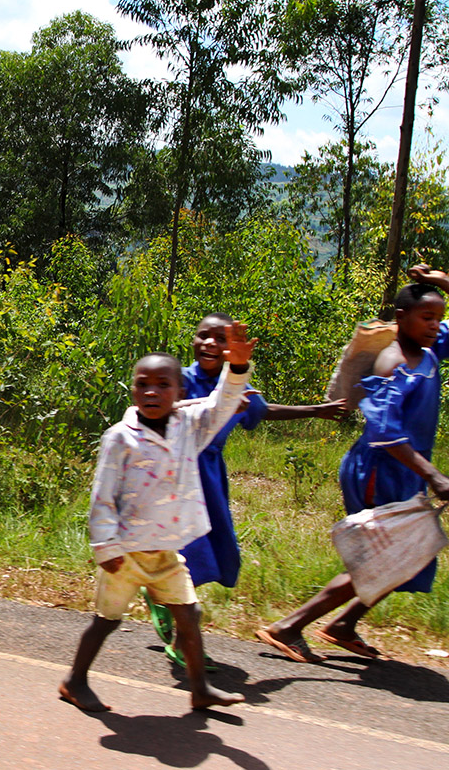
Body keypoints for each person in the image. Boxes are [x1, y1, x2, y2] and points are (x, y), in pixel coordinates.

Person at [59, 323, 256, 713]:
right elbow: (102, 497)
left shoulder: (190, 427)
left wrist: (238, 366)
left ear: (180, 392)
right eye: (143, 384)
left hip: (166, 551)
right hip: (126, 554)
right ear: (132, 390)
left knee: (189, 616)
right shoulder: (120, 437)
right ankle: (74, 680)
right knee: (107, 620)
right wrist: (105, 547)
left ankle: (199, 689)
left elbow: (224, 402)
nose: (152, 391)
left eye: (163, 384)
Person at [257, 271, 449, 662]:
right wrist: (435, 475)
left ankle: (343, 624)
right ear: (400, 318)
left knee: (414, 554)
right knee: (381, 556)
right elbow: (387, 435)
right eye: (426, 318)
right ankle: (289, 626)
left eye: (438, 318)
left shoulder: (429, 351)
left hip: (406, 472)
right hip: (376, 469)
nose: (434, 325)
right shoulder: (394, 365)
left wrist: (444, 281)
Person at [144, 313, 347, 667]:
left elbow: (263, 410)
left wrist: (318, 410)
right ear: (193, 341)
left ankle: (158, 595)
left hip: (209, 477)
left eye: (220, 339)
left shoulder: (234, 383)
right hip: (176, 476)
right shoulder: (179, 380)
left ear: (231, 349)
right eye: (203, 336)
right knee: (191, 557)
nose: (210, 343)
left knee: (215, 556)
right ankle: (183, 640)